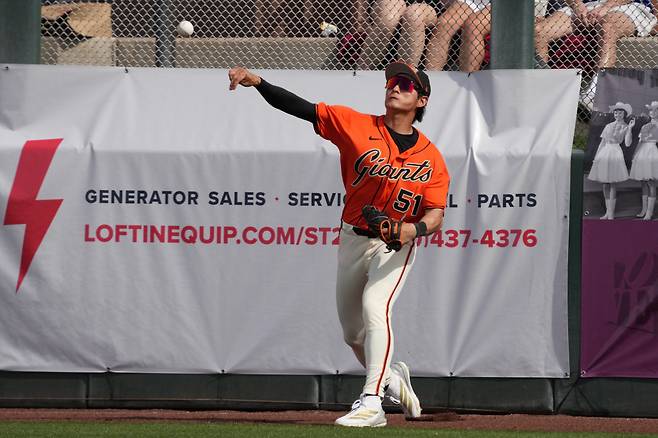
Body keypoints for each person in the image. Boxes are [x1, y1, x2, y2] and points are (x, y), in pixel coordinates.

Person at [228, 61, 450, 427]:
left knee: (375, 306)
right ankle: (392, 379)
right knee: (352, 332)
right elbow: (301, 108)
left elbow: (435, 214)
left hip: (393, 244)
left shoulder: (431, 158)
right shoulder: (356, 125)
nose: (395, 87)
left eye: (406, 85)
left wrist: (413, 232)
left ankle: (372, 402)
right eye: (392, 81)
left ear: (421, 100)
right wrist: (258, 82)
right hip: (352, 237)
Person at [534, 0, 657, 103]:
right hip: (588, 5)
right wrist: (579, 7)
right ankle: (539, 90)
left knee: (607, 27)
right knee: (538, 31)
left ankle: (595, 95)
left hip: (627, 5)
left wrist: (605, 7)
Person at [357, 0, 444, 69]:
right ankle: (360, 72)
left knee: (413, 16)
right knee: (389, 20)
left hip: (427, 4)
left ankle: (405, 78)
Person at [588, 102, 632, 219]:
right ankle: (607, 211)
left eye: (620, 112)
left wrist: (630, 130)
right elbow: (602, 142)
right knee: (605, 183)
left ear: (624, 114)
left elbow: (627, 143)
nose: (618, 114)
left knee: (612, 183)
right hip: (605, 152)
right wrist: (597, 157)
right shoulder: (608, 126)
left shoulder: (626, 127)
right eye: (616, 112)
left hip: (615, 151)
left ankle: (611, 212)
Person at [628, 101, 658, 220]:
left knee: (651, 182)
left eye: (656, 110)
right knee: (643, 182)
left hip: (652, 152)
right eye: (651, 110)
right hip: (642, 152)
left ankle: (649, 213)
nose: (653, 112)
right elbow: (640, 142)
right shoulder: (645, 126)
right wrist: (635, 155)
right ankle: (644, 209)